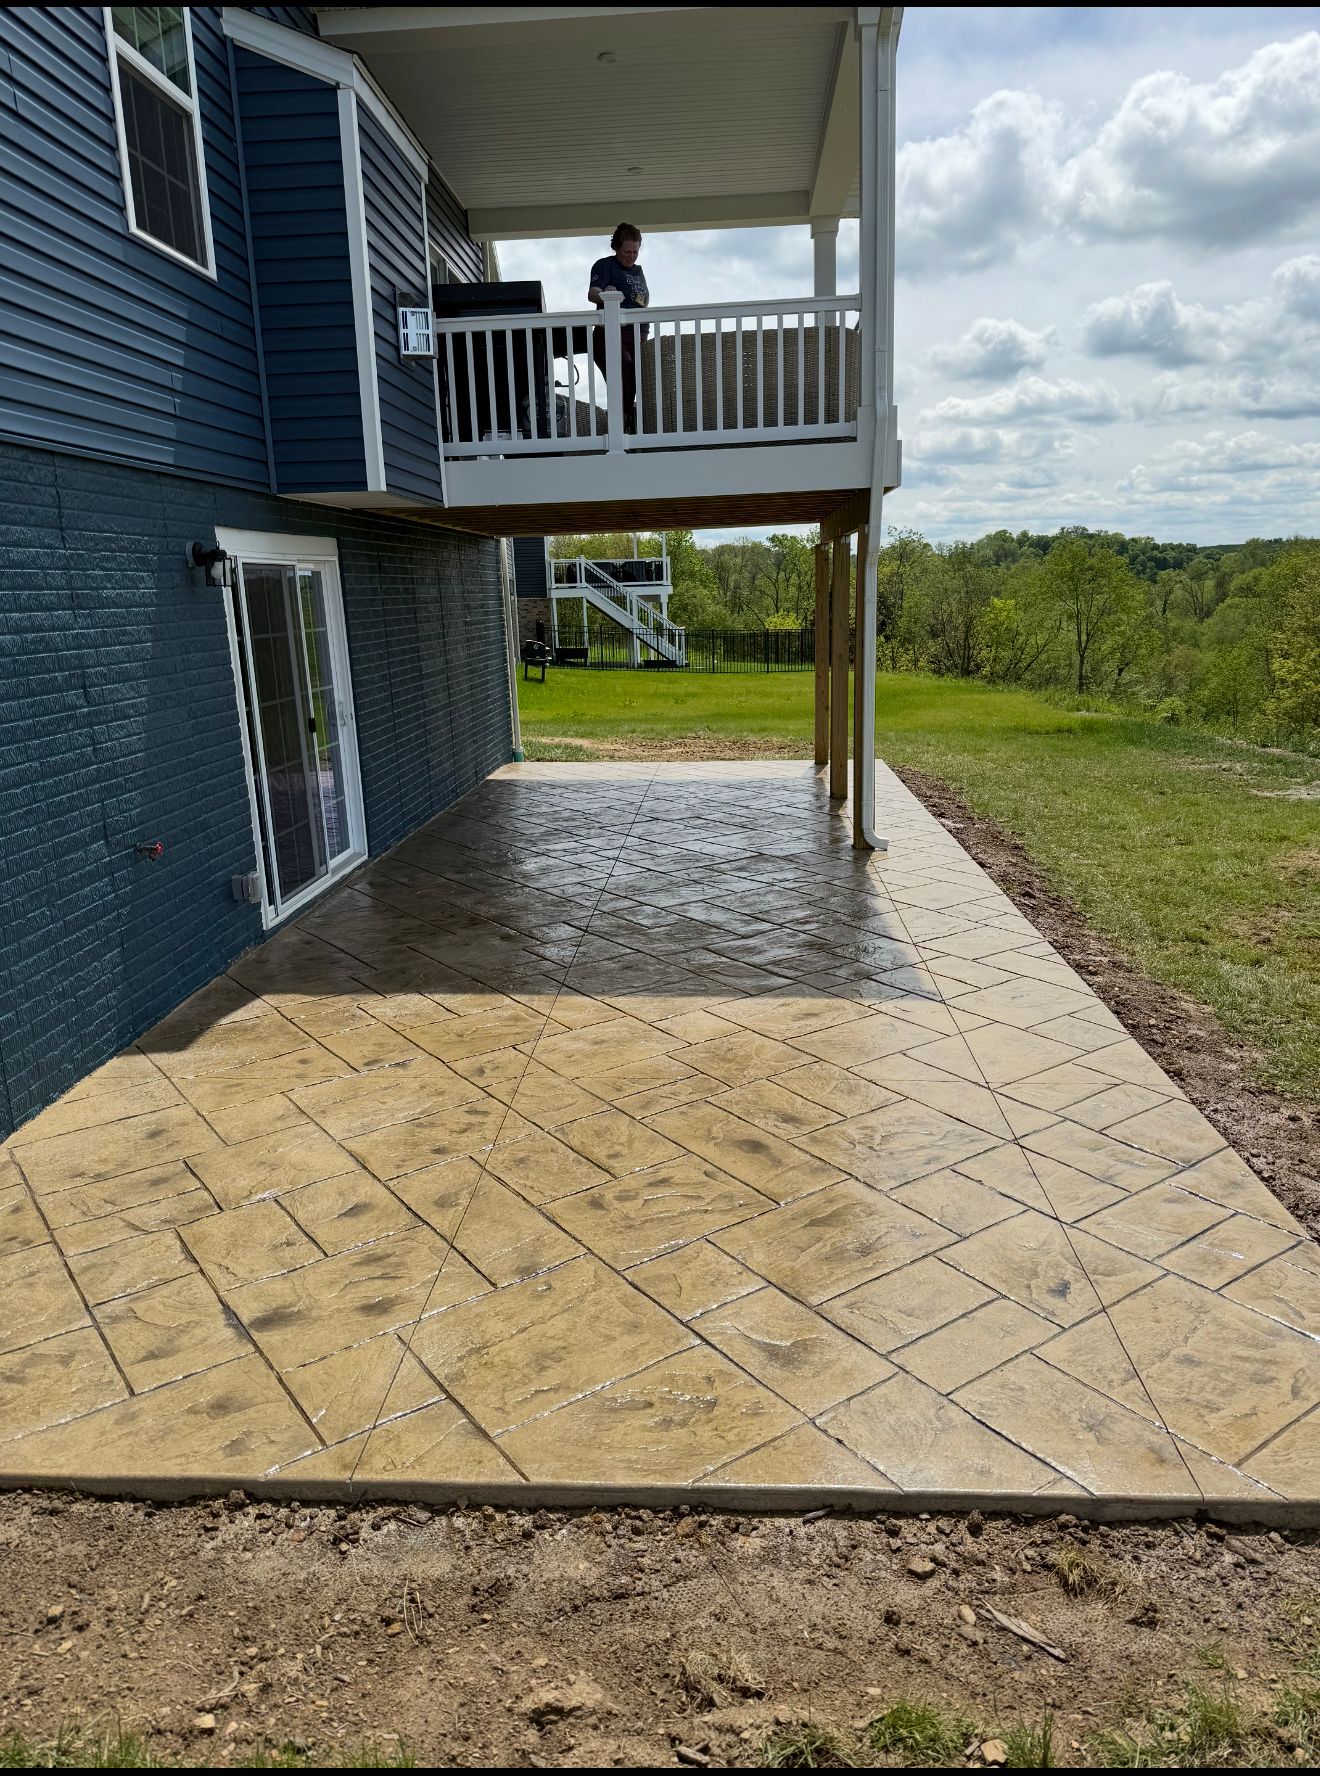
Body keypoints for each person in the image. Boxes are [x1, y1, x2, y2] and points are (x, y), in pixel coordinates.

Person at [588, 223, 648, 430]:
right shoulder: (605, 265)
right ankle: (620, 427)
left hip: (638, 335)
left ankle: (629, 424)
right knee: (623, 375)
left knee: (640, 379)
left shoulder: (638, 271)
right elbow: (592, 293)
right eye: (626, 251)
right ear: (616, 247)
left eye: (635, 252)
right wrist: (606, 295)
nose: (631, 256)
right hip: (613, 334)